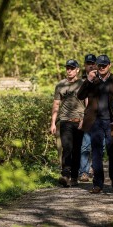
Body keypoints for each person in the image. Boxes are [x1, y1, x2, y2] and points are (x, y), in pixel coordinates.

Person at [77, 54, 113, 193]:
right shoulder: (92, 80)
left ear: (109, 65)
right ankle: (97, 184)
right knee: (96, 153)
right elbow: (80, 96)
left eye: (104, 65)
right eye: (100, 65)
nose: (102, 67)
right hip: (95, 122)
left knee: (112, 152)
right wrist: (88, 81)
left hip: (112, 121)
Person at [50, 59, 85, 187]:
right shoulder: (60, 85)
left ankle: (75, 176)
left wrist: (85, 120)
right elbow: (56, 105)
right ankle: (65, 174)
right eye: (67, 68)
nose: (69, 70)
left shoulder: (82, 84)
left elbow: (87, 102)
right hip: (65, 121)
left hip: (79, 121)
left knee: (77, 150)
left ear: (77, 70)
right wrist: (53, 123)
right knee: (67, 147)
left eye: (72, 68)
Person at [78, 54, 97, 182]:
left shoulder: (100, 79)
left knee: (98, 146)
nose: (90, 65)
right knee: (85, 146)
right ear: (84, 65)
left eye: (92, 63)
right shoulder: (80, 81)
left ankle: (95, 169)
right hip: (85, 117)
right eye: (88, 63)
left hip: (98, 117)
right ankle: (83, 172)